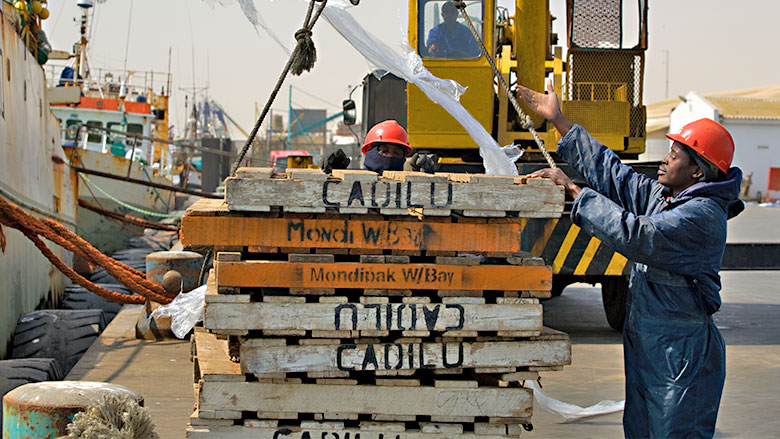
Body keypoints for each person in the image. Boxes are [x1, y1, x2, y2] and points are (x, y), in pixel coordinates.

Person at [517, 82, 743, 438]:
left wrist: (574, 190)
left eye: (675, 155)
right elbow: (615, 175)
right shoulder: (668, 198)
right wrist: (559, 120)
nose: (665, 159)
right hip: (650, 348)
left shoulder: (701, 215)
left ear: (697, 171)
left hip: (679, 354)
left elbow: (638, 236)